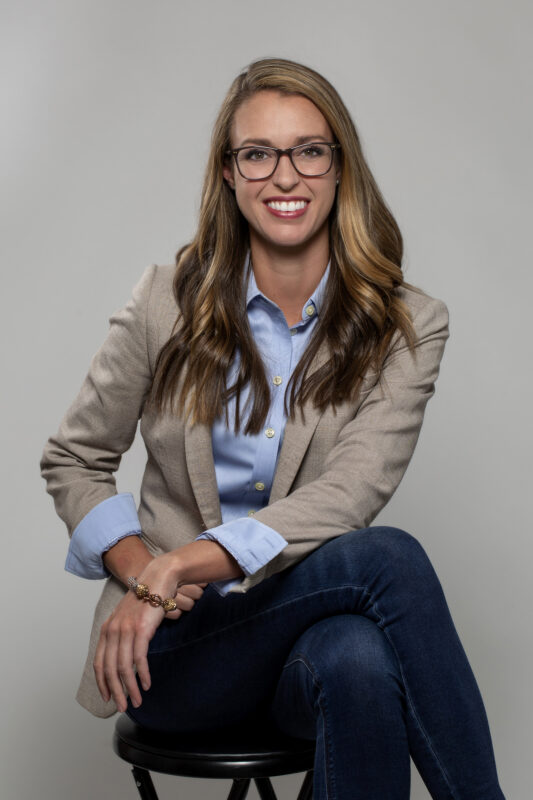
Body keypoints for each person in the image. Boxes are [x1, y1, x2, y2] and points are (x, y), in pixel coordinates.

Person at [40, 57, 505, 799]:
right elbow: (74, 457)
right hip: (178, 653)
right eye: (257, 153)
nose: (283, 177)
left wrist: (181, 560)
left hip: (298, 655)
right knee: (387, 560)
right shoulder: (166, 301)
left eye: (308, 151)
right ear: (228, 173)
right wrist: (142, 570)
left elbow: (350, 493)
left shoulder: (406, 326)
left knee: (356, 656)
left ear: (338, 165)